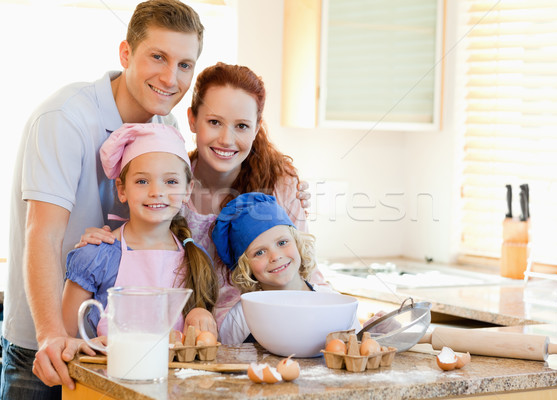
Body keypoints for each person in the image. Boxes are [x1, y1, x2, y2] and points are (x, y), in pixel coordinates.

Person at [2, 1, 205, 396]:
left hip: (115, 350)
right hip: (45, 345)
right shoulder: (65, 118)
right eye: (158, 57)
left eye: (185, 65)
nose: (170, 77)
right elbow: (42, 235)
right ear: (126, 53)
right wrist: (51, 336)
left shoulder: (166, 123)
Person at [79, 62, 323, 332]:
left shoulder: (281, 186)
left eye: (242, 126)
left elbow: (305, 272)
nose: (227, 139)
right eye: (214, 122)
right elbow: (134, 244)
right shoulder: (167, 184)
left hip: (265, 330)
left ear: (256, 129)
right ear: (192, 120)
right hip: (182, 335)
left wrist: (336, 317)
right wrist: (101, 240)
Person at [62, 123, 218, 341]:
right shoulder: (96, 256)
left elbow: (201, 343)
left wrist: (199, 313)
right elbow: (64, 340)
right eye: (142, 181)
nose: (156, 192)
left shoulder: (195, 259)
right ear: (122, 189)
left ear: (187, 190)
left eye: (171, 181)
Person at [212, 193, 360, 344]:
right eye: (260, 252)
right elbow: (227, 362)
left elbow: (357, 350)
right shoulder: (242, 316)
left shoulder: (334, 303)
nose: (275, 256)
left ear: (298, 243)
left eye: (282, 243)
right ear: (245, 267)